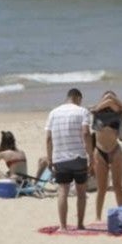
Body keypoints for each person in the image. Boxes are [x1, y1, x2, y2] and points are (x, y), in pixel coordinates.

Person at [45, 88, 92, 229]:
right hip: (78, 157)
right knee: (81, 193)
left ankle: (63, 226)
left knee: (62, 191)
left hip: (60, 158)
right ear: (78, 98)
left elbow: (48, 138)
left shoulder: (53, 113)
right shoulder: (82, 111)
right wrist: (91, 155)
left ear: (68, 97)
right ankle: (80, 224)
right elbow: (86, 134)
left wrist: (49, 158)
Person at [89, 91, 122, 221]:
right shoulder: (97, 114)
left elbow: (119, 106)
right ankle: (98, 217)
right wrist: (108, 98)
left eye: (112, 99)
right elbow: (96, 107)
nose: (109, 101)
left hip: (115, 151)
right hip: (100, 152)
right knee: (102, 189)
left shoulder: (118, 115)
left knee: (118, 187)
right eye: (105, 98)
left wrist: (110, 98)